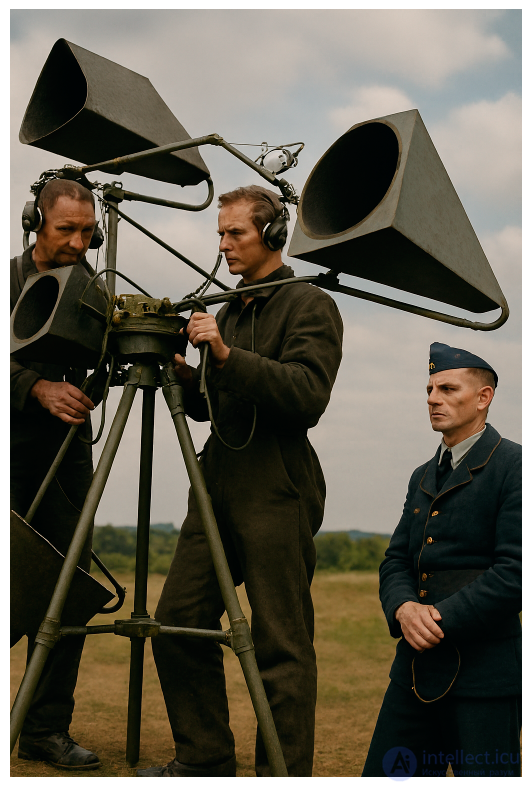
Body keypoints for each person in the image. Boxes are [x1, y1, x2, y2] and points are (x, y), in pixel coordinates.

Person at [138, 185, 343, 777]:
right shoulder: (229, 309)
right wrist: (180, 369)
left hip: (277, 485)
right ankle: (205, 760)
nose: (223, 245)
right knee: (176, 622)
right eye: (220, 234)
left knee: (282, 646)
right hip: (217, 484)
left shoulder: (309, 305)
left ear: (273, 236)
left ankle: (282, 775)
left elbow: (307, 396)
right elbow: (211, 408)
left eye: (236, 234)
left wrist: (225, 356)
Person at [362, 342, 521, 778]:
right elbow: (396, 560)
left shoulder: (514, 466)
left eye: (448, 388)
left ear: (483, 398)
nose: (433, 398)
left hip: (485, 677)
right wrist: (403, 607)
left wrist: (433, 617)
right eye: (430, 389)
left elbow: (515, 573)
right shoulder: (422, 474)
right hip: (414, 673)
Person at [11, 179, 100, 770]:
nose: (76, 242)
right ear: (34, 221)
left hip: (66, 469)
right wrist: (33, 388)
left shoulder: (93, 288)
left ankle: (44, 730)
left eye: (87, 232)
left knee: (66, 599)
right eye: (65, 229)